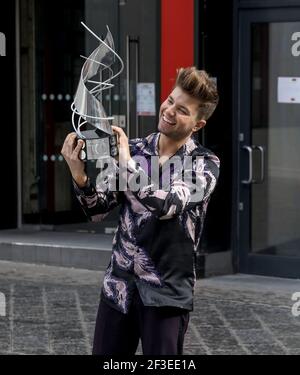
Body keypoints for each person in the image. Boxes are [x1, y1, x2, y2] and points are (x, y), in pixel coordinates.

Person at [61, 67, 220, 355]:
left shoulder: (204, 164)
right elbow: (97, 209)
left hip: (166, 295)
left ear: (198, 125)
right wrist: (79, 176)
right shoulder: (134, 150)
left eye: (182, 110)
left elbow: (168, 205)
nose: (169, 111)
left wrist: (125, 163)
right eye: (170, 100)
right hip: (118, 290)